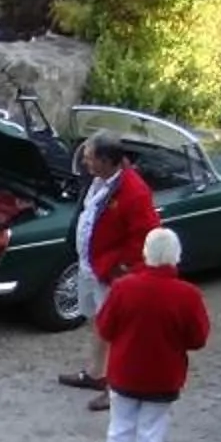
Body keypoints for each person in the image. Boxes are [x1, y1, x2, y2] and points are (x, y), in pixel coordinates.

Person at [93, 227, 212, 442]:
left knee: (118, 430)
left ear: (146, 253)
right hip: (163, 378)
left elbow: (105, 328)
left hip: (123, 375)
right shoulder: (188, 295)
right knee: (150, 435)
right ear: (176, 257)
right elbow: (198, 339)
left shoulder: (123, 288)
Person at [59, 132, 161, 411]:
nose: (84, 162)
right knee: (99, 322)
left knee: (117, 331)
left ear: (105, 160)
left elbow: (145, 236)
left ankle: (117, 386)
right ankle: (96, 374)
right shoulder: (100, 180)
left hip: (108, 272)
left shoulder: (134, 191)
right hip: (90, 266)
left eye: (89, 157)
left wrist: (119, 268)